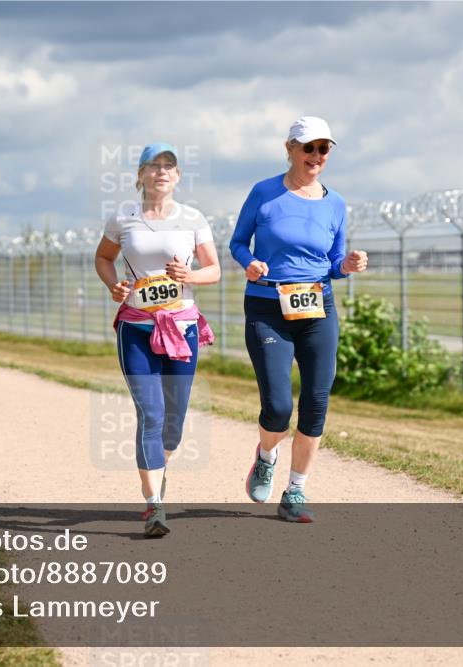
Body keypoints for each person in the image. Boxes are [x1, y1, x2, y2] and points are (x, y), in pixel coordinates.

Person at [229, 116, 368, 523]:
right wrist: (248, 262)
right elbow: (238, 241)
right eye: (308, 147)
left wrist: (349, 264)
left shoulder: (336, 203)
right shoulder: (265, 193)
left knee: (316, 403)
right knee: (276, 406)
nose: (316, 156)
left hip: (317, 308)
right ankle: (266, 455)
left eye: (324, 148)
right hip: (268, 306)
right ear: (290, 148)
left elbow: (334, 264)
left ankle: (295, 492)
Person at [95, 143, 220, 537]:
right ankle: (154, 506)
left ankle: (157, 473)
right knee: (150, 414)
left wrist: (189, 277)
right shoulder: (123, 217)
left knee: (174, 424)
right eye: (154, 166)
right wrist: (115, 285)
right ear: (141, 174)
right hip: (137, 327)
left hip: (181, 328)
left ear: (178, 176)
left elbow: (213, 270)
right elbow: (103, 258)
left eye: (169, 166)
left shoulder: (193, 219)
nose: (162, 172)